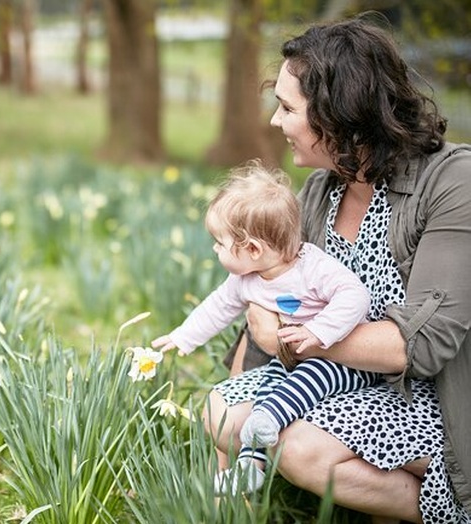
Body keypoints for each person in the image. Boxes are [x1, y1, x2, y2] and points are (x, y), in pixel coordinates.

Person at [204, 16, 471, 523]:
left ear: (340, 113)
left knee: (300, 448)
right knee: (224, 412)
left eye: (287, 108)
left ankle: (450, 506)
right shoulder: (319, 193)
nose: (274, 123)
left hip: (429, 399)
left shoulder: (454, 181)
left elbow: (422, 343)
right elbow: (262, 305)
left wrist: (290, 330)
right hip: (342, 386)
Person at [150, 161, 375, 495]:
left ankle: (260, 441)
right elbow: (217, 306)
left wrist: (319, 332)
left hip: (342, 365)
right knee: (270, 388)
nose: (214, 248)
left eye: (220, 242)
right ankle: (251, 466)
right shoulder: (245, 280)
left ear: (253, 249)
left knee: (298, 383)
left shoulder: (312, 267)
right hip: (292, 363)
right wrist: (184, 336)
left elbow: (356, 295)